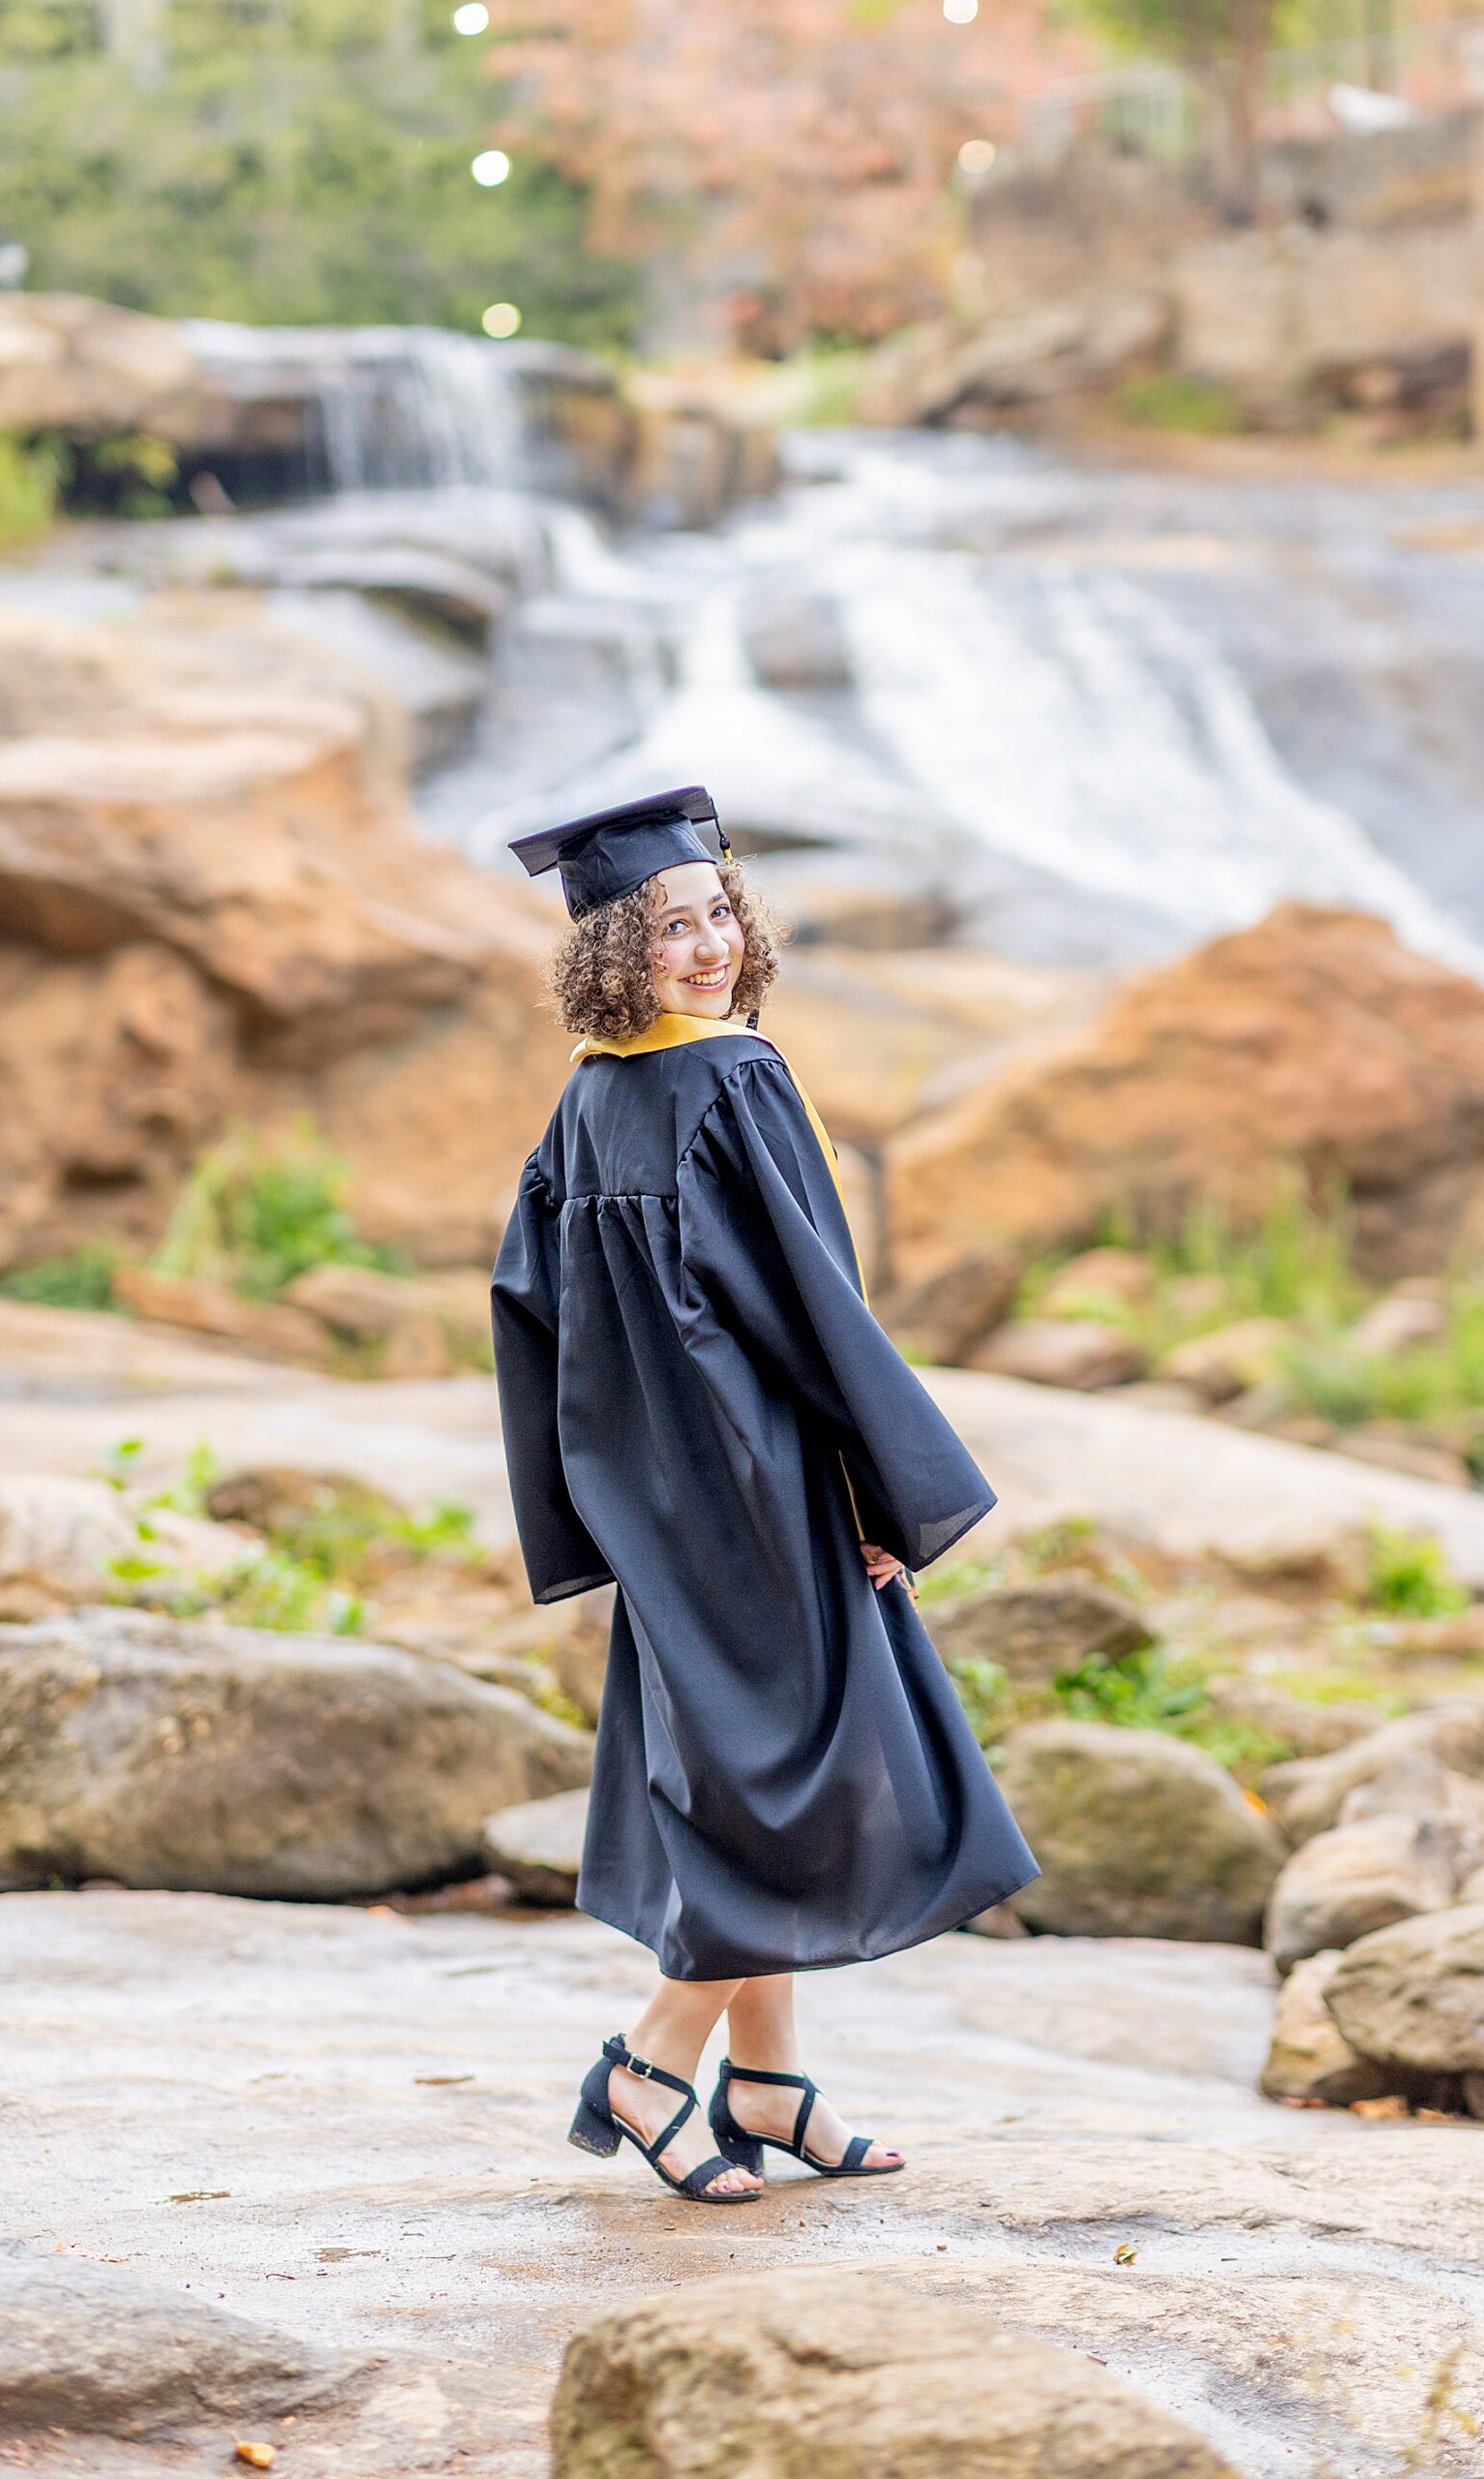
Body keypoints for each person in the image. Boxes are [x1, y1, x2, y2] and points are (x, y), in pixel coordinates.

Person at [491, 785, 1037, 2205]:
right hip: (760, 1486)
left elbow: (530, 1308)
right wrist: (875, 1487)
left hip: (660, 1495)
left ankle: (774, 2085)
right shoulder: (736, 1080)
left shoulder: (592, 1098)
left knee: (756, 1774)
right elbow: (814, 1310)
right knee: (808, 1780)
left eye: (719, 913)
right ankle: (653, 2064)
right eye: (671, 926)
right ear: (617, 947)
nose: (707, 947)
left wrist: (594, 1489)